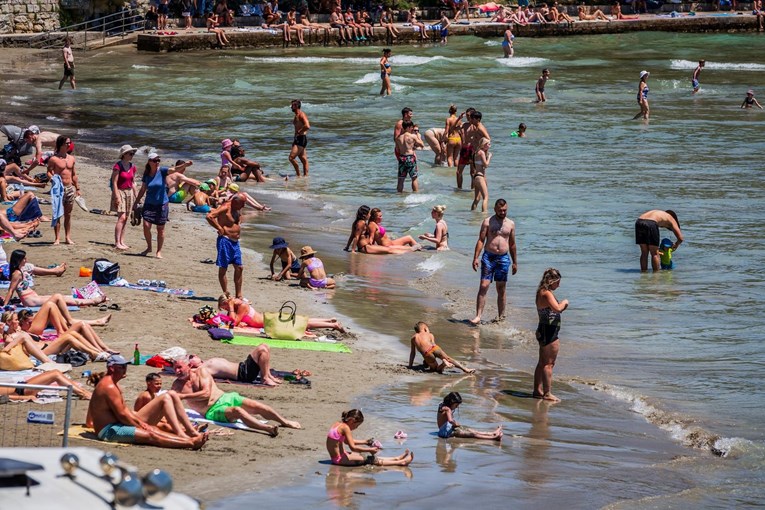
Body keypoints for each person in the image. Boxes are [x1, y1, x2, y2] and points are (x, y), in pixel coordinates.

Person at [86, 355, 207, 448]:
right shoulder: (109, 387)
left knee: (154, 428)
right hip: (109, 431)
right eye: (121, 367)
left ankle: (186, 436)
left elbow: (125, 411)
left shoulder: (114, 385)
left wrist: (141, 423)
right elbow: (122, 415)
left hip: (117, 423)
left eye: (125, 366)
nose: (125, 369)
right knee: (151, 434)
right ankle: (190, 442)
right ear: (111, 368)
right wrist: (140, 426)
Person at [171, 357, 300, 436]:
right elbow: (171, 403)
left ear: (188, 365)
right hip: (211, 410)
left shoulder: (201, 372)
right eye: (175, 369)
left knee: (258, 406)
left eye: (179, 367)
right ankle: (267, 429)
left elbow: (206, 393)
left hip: (226, 397)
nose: (177, 371)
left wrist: (183, 396)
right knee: (237, 411)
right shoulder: (177, 386)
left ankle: (284, 421)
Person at [470, 199, 517, 325]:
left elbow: (512, 244)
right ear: (495, 209)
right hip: (488, 257)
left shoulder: (510, 224)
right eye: (500, 210)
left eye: (505, 210)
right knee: (484, 286)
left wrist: (515, 262)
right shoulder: (487, 222)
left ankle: (501, 317)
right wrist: (475, 257)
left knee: (501, 288)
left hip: (503, 258)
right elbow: (481, 240)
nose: (503, 212)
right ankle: (478, 316)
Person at [4, 249, 106, 307]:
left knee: (62, 297)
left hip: (33, 298)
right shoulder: (16, 273)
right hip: (30, 300)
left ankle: (90, 298)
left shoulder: (22, 269)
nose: (26, 260)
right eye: (24, 258)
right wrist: (4, 306)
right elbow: (10, 290)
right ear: (19, 260)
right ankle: (94, 301)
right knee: (61, 299)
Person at [2, 310, 110, 362]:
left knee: (73, 333)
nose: (18, 322)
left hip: (47, 346)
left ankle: (97, 352)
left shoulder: (19, 330)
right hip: (42, 353)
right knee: (69, 337)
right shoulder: (10, 338)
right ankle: (94, 354)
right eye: (16, 320)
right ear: (8, 322)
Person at [327, 409, 414, 466]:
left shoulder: (338, 424)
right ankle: (401, 462)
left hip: (339, 457)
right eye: (356, 426)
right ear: (352, 421)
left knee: (364, 456)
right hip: (340, 460)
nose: (356, 428)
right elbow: (353, 447)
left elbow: (346, 441)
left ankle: (396, 458)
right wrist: (370, 450)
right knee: (370, 459)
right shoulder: (345, 428)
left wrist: (365, 442)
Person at [218, 294, 346, 332]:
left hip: (269, 322)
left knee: (302, 324)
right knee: (300, 320)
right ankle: (330, 320)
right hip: (268, 320)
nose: (224, 310)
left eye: (223, 307)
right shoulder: (240, 303)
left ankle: (333, 325)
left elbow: (233, 323)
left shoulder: (241, 305)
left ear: (226, 303)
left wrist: (230, 308)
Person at [533, 268, 568, 402]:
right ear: (551, 281)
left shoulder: (540, 292)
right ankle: (547, 393)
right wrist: (565, 302)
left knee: (542, 362)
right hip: (549, 330)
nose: (558, 285)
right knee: (549, 364)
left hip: (542, 329)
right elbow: (557, 309)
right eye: (557, 282)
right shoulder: (547, 293)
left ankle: (537, 390)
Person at [206, 193, 245, 299]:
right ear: (235, 202)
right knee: (223, 268)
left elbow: (237, 220)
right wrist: (219, 228)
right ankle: (226, 293)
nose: (244, 206)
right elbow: (209, 216)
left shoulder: (237, 208)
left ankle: (239, 295)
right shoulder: (225, 207)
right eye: (242, 203)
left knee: (239, 268)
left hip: (235, 242)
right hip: (225, 241)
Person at [133, 152, 170, 258]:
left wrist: (184, 165)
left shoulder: (162, 171)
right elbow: (143, 189)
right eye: (154, 160)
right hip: (149, 203)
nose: (157, 162)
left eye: (158, 160)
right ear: (149, 162)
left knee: (160, 229)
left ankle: (159, 251)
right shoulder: (147, 174)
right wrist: (136, 202)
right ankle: (149, 247)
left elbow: (174, 170)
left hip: (162, 204)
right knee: (146, 225)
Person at [187, 347, 282, 387]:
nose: (195, 355)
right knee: (262, 350)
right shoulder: (201, 369)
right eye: (191, 357)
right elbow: (187, 372)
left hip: (243, 367)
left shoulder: (205, 363)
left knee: (265, 346)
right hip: (243, 374)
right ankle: (264, 378)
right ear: (190, 364)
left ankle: (268, 375)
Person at [46, 135, 79, 245]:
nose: (69, 145)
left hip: (69, 188)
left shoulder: (71, 159)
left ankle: (67, 237)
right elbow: (49, 172)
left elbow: (74, 174)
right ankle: (57, 238)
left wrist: (77, 187)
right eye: (67, 143)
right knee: (57, 214)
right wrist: (53, 179)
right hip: (58, 189)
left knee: (68, 214)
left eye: (69, 143)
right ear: (61, 144)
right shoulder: (53, 159)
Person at [409, 322, 474, 373]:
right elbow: (433, 344)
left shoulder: (414, 337)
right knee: (449, 358)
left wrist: (410, 366)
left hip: (427, 353)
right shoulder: (430, 334)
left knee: (435, 370)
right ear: (425, 329)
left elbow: (412, 353)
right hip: (435, 348)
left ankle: (443, 364)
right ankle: (465, 369)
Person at [437, 392, 503, 439]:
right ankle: (493, 437)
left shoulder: (442, 405)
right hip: (445, 432)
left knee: (471, 430)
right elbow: (450, 421)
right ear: (451, 402)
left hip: (445, 430)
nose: (457, 407)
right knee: (473, 434)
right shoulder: (447, 409)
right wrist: (456, 424)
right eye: (456, 405)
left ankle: (492, 433)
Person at [0, 369, 91, 400]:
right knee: (55, 374)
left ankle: (84, 392)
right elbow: (2, 397)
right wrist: (25, 397)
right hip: (21, 391)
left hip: (21, 387)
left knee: (55, 373)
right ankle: (84, 394)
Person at [111, 144, 137, 250]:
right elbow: (114, 182)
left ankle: (122, 240)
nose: (132, 155)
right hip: (120, 192)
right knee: (121, 217)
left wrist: (137, 196)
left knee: (126, 218)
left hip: (129, 192)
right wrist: (116, 196)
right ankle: (117, 242)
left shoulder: (132, 167)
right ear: (124, 154)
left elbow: (133, 182)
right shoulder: (118, 166)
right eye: (130, 153)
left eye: (133, 153)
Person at [395, 121, 424, 193]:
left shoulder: (398, 138)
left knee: (401, 179)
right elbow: (422, 145)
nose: (412, 129)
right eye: (411, 127)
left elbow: (397, 150)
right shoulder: (412, 136)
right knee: (414, 178)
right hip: (410, 158)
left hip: (402, 158)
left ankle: (399, 196)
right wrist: (418, 137)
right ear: (408, 127)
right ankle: (416, 195)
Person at [289, 99, 310, 177]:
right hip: (299, 139)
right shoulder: (296, 115)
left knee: (291, 158)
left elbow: (307, 126)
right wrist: (294, 140)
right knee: (303, 159)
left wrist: (299, 131)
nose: (291, 107)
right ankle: (306, 177)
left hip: (301, 138)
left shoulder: (301, 115)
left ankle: (298, 175)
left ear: (296, 106)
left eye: (292, 105)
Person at [471, 137, 491, 212]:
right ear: (484, 145)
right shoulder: (481, 152)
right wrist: (489, 157)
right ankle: (484, 215)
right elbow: (486, 165)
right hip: (480, 177)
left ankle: (472, 213)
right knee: (485, 197)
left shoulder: (476, 152)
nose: (490, 146)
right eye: (488, 144)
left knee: (477, 198)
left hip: (476, 177)